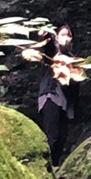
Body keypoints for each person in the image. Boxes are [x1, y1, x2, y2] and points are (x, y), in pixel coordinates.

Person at [32, 25, 77, 166]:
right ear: (56, 37)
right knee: (52, 136)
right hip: (50, 96)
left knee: (62, 139)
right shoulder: (53, 55)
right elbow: (48, 48)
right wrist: (45, 36)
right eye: (63, 34)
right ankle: (45, 167)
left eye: (69, 35)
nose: (66, 38)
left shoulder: (72, 60)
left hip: (64, 102)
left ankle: (55, 167)